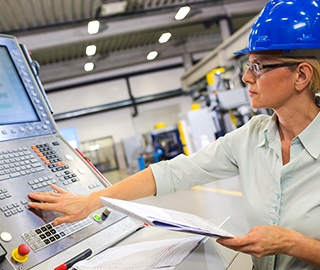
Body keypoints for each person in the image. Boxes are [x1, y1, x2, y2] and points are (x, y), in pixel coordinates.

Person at [28, 1, 320, 269]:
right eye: (248, 66)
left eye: (258, 67)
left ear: (302, 75)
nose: (246, 77)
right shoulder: (251, 137)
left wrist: (293, 244)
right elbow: (174, 172)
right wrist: (94, 200)